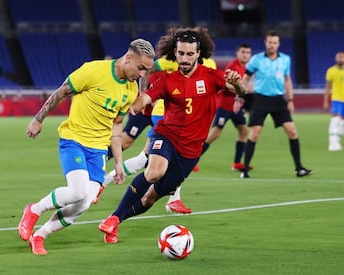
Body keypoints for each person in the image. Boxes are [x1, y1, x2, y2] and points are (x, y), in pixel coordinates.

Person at [98, 27, 246, 244]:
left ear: (198, 54)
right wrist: (136, 105)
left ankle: (117, 221)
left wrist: (237, 83)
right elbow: (148, 97)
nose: (184, 59)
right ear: (174, 53)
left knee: (149, 199)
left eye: (189, 54)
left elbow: (241, 91)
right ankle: (112, 219)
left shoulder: (212, 76)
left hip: (190, 151)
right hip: (166, 135)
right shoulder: (168, 79)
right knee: (154, 172)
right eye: (180, 54)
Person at [18, 39, 155, 255]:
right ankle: (34, 210)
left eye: (146, 70)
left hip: (99, 149)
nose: (142, 75)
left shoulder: (130, 91)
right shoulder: (93, 70)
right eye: (141, 68)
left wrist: (118, 162)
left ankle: (39, 235)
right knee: (77, 191)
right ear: (128, 58)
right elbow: (62, 92)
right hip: (74, 139)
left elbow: (117, 126)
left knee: (83, 204)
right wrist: (38, 119)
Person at [240, 30, 312, 178]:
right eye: (269, 42)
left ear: (278, 44)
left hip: (279, 99)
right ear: (265, 43)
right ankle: (245, 170)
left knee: (292, 132)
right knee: (255, 134)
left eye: (274, 42)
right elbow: (246, 78)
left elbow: (287, 80)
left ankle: (299, 168)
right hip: (260, 99)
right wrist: (239, 97)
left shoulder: (285, 59)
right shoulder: (256, 59)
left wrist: (290, 99)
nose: (272, 45)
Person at [200, 43, 253, 171]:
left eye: (247, 52)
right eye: (243, 52)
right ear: (237, 53)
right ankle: (193, 159)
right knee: (215, 134)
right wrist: (241, 89)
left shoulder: (247, 67)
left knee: (244, 131)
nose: (245, 55)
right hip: (225, 105)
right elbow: (226, 85)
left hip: (236, 107)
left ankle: (236, 163)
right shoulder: (232, 67)